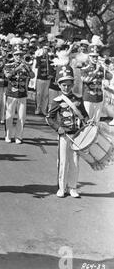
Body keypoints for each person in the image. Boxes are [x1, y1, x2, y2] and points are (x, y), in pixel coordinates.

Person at [46, 65, 90, 198]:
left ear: (72, 85)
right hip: (64, 135)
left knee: (75, 162)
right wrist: (57, 128)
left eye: (69, 85)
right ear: (59, 85)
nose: (66, 88)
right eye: (64, 85)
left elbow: (84, 114)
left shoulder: (78, 99)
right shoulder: (57, 101)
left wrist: (88, 122)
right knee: (63, 162)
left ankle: (72, 187)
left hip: (76, 135)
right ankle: (62, 187)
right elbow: (49, 118)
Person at [4, 42, 34, 144]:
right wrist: (17, 68)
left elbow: (33, 76)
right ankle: (8, 135)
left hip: (22, 94)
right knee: (9, 116)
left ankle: (18, 136)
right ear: (13, 55)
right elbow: (7, 76)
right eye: (17, 55)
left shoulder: (26, 65)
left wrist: (27, 67)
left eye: (21, 55)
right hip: (11, 94)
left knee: (21, 117)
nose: (19, 56)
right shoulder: (9, 65)